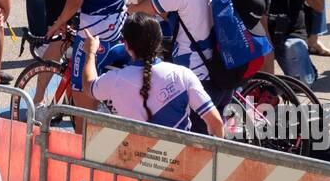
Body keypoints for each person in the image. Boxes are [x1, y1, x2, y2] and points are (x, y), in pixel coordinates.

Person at [80, 14, 223, 134]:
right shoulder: (183, 75)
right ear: (159, 41)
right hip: (179, 162)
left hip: (130, 162)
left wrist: (91, 53)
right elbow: (216, 123)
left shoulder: (115, 80)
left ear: (127, 46)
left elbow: (89, 86)